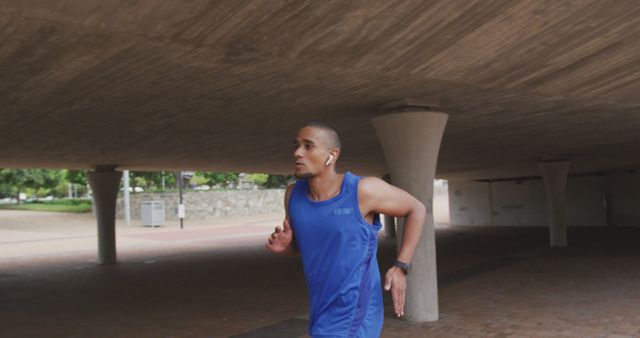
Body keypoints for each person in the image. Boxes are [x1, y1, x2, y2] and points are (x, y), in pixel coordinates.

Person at [265, 122, 426, 338]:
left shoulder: (362, 190)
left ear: (332, 155)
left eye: (308, 146)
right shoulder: (293, 195)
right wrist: (285, 247)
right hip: (320, 306)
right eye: (296, 145)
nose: (297, 153)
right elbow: (299, 248)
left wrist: (401, 266)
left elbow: (416, 209)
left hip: (355, 309)